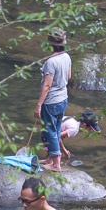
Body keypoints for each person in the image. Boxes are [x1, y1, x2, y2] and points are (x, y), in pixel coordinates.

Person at [35, 29, 72, 172]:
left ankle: (56, 164)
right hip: (63, 98)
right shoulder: (67, 57)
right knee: (56, 129)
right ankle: (51, 158)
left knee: (49, 130)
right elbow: (68, 77)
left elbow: (47, 85)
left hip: (51, 102)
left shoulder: (50, 62)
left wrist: (38, 105)